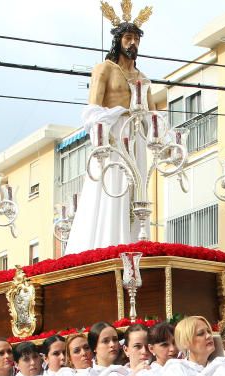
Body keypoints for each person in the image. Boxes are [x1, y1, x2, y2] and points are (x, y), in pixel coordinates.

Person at [65, 7, 154, 253]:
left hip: (136, 140)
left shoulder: (143, 78)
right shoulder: (104, 69)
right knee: (113, 189)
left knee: (137, 195)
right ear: (118, 40)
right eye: (128, 38)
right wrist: (109, 125)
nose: (133, 42)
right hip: (114, 138)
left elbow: (155, 118)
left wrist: (164, 140)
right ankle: (109, 246)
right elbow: (92, 110)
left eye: (136, 38)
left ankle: (136, 246)